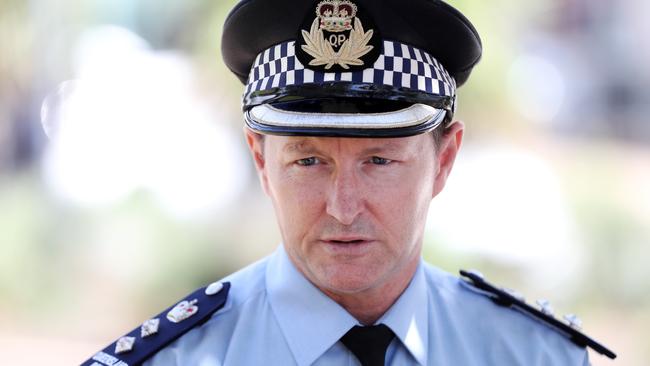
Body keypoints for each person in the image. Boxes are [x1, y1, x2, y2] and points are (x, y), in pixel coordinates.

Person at [83, 0, 616, 365]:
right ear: (261, 160)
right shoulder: (174, 359)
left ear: (445, 159)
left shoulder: (533, 355)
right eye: (308, 161)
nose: (342, 207)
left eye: (379, 161)